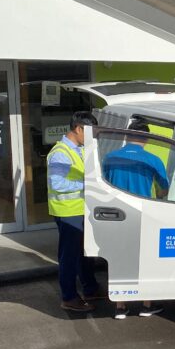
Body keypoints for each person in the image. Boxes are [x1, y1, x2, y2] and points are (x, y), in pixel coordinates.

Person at [102, 122, 170, 319]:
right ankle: (146, 305)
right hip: (142, 214)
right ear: (147, 139)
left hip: (114, 215)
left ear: (127, 135)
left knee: (118, 259)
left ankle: (120, 306)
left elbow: (104, 185)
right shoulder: (153, 160)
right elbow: (163, 190)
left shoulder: (109, 158)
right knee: (145, 259)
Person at [47, 111, 101, 313]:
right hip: (68, 211)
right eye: (89, 132)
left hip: (79, 210)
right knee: (69, 256)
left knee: (84, 253)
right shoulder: (60, 152)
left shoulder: (77, 149)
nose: (92, 137)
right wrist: (88, 183)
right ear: (78, 129)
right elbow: (57, 183)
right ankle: (69, 297)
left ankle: (90, 288)